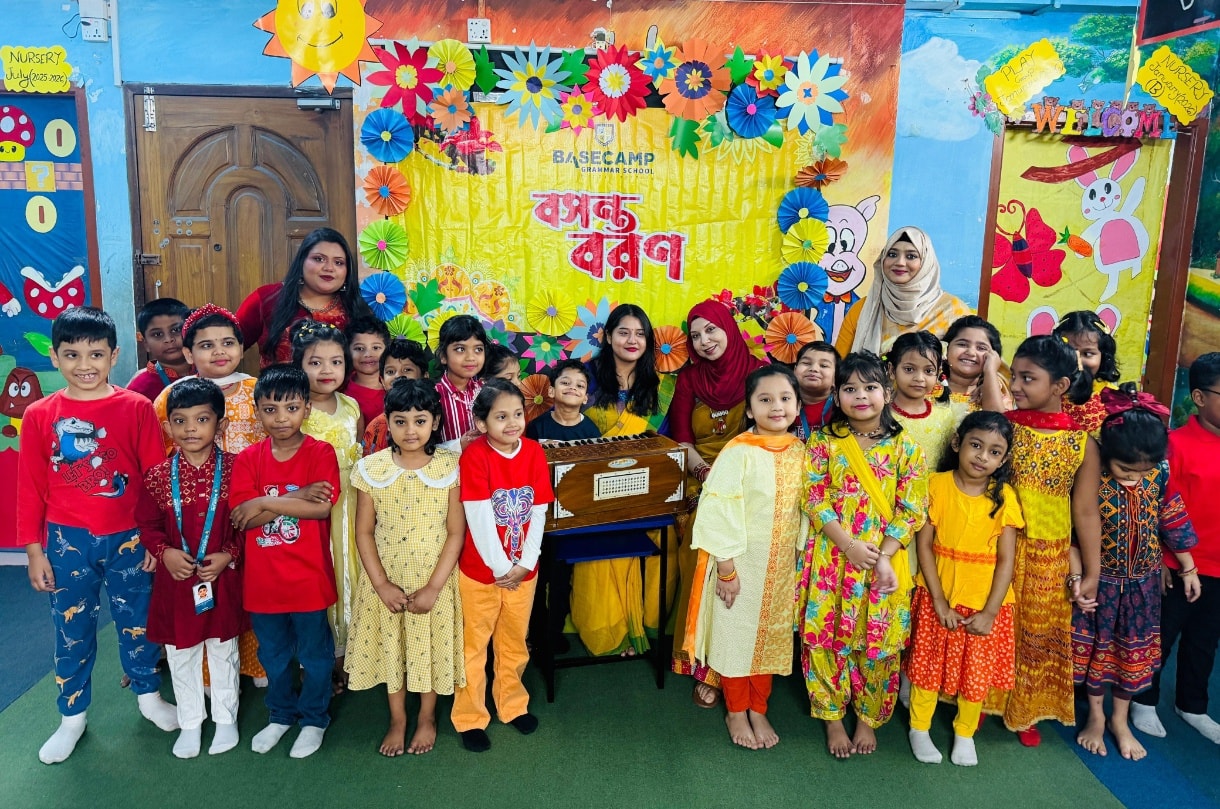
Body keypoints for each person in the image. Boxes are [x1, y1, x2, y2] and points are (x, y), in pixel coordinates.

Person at [17, 307, 179, 764]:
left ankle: (148, 696)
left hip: (131, 539)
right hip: (66, 543)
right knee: (71, 629)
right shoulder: (39, 415)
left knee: (139, 622)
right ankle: (72, 716)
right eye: (72, 354)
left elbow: (155, 479)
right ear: (55, 357)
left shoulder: (136, 408)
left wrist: (157, 540)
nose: (84, 364)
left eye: (95, 354)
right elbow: (30, 488)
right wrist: (34, 551)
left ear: (114, 355)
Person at [800, 351, 927, 758]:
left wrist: (883, 555)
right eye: (850, 388)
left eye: (870, 387)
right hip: (832, 557)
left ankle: (868, 718)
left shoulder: (907, 447)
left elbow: (912, 510)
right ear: (836, 396)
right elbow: (813, 497)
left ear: (887, 393)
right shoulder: (824, 442)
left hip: (881, 562)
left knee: (879, 643)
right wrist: (848, 545)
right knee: (825, 638)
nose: (860, 396)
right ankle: (833, 718)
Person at [684, 365, 808, 750]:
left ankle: (759, 707)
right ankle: (736, 710)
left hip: (781, 569)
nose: (777, 407)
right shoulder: (738, 451)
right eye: (765, 399)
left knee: (768, 639)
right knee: (736, 638)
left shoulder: (801, 451)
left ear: (798, 406)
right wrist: (726, 569)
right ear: (750, 409)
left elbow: (808, 510)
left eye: (785, 398)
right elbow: (719, 510)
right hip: (740, 567)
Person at [1072, 386, 1199, 761]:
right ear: (1107, 454)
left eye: (1143, 471)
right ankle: (1096, 716)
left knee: (1133, 653)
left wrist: (1188, 567)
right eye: (1125, 469)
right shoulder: (1092, 478)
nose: (1134, 477)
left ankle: (1120, 719)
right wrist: (1078, 579)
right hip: (1102, 585)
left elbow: (1170, 517)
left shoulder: (1159, 474)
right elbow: (1073, 536)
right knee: (1099, 651)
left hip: (1142, 586)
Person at [989, 335, 1102, 746]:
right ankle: (980, 701)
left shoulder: (1082, 444)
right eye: (1014, 376)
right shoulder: (1004, 428)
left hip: (1048, 555)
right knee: (993, 624)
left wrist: (1092, 572)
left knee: (1036, 634)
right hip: (996, 546)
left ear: (1060, 386)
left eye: (1028, 378)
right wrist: (992, 371)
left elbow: (1085, 512)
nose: (1017, 385)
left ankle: (1027, 709)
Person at [346, 379, 465, 757]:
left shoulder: (451, 467)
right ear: (388, 422)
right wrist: (381, 585)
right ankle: (398, 719)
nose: (410, 430)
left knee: (428, 647)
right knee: (392, 648)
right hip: (387, 580)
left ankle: (427, 716)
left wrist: (433, 587)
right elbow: (364, 532)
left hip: (434, 580)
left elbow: (456, 532)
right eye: (400, 421)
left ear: (435, 422)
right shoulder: (371, 468)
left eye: (420, 420)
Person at [229, 365, 341, 759]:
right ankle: (280, 714)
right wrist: (297, 495)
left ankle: (314, 718)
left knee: (315, 655)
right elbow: (243, 518)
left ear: (307, 409)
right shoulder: (248, 460)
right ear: (257, 411)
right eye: (270, 409)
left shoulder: (320, 453)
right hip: (263, 583)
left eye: (291, 408)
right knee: (273, 656)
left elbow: (320, 509)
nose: (281, 418)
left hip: (309, 579)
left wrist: (265, 501)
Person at [154, 304, 267, 684]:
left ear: (241, 347)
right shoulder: (169, 398)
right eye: (206, 345)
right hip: (196, 518)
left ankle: (256, 665)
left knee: (252, 587)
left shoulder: (257, 390)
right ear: (188, 353)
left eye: (227, 342)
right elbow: (161, 460)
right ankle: (207, 675)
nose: (219, 351)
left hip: (254, 509)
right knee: (206, 589)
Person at [905, 411, 1022, 767]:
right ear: (957, 443)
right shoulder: (935, 485)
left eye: (994, 452)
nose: (982, 456)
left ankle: (965, 733)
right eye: (976, 445)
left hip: (984, 603)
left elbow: (1007, 560)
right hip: (938, 595)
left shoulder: (1005, 497)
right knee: (926, 667)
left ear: (1003, 459)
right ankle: (919, 728)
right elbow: (925, 546)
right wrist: (939, 601)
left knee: (975, 674)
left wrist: (990, 612)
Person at [138, 378, 245, 759]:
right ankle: (190, 722)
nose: (190, 429)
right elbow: (147, 525)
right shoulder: (156, 476)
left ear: (221, 424)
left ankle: (226, 718)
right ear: (168, 427)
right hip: (176, 582)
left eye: (202, 419)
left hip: (222, 577)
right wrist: (164, 552)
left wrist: (229, 554)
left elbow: (247, 524)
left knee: (223, 649)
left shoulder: (239, 470)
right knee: (180, 653)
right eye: (180, 421)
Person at [669, 298, 768, 705]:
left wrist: (738, 479)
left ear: (728, 327)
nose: (704, 340)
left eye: (711, 329)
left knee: (752, 557)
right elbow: (682, 440)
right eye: (695, 335)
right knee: (705, 553)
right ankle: (707, 665)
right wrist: (707, 475)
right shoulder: (690, 379)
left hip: (753, 481)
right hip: (703, 480)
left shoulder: (760, 373)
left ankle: (744, 659)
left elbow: (774, 430)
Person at [452, 380, 554, 752]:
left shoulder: (533, 452)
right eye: (501, 417)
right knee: (473, 646)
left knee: (514, 642)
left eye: (517, 414)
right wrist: (500, 568)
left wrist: (525, 562)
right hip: (481, 573)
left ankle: (512, 705)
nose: (512, 423)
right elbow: (478, 517)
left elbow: (539, 510)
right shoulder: (475, 456)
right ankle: (470, 717)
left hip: (524, 572)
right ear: (481, 423)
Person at [569, 304, 675, 659]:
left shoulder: (659, 386)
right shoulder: (584, 376)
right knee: (600, 547)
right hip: (589, 485)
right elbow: (565, 425)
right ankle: (607, 627)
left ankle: (647, 622)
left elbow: (664, 442)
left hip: (641, 484)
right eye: (624, 332)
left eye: (640, 334)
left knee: (664, 536)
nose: (632, 340)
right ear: (608, 336)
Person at [1133, 352, 1220, 744]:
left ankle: (1193, 705)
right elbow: (1157, 506)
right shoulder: (1174, 445)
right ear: (1199, 398)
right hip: (1177, 564)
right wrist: (1160, 559)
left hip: (1218, 568)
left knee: (1204, 641)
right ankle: (1143, 700)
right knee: (1160, 636)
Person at [292, 320, 364, 692]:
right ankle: (316, 659)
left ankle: (350, 655)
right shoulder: (296, 410)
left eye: (335, 362)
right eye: (315, 362)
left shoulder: (351, 406)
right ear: (299, 365)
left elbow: (361, 456)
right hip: (314, 508)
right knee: (320, 575)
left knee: (351, 572)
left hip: (352, 506)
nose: (327, 370)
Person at [235, 227, 373, 368]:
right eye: (319, 259)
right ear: (301, 262)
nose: (329, 268)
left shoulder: (357, 307)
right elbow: (227, 347)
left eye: (338, 262)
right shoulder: (267, 298)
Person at [835, 226, 972, 356]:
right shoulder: (864, 309)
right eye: (892, 254)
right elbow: (839, 365)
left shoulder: (953, 311)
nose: (900, 262)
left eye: (911, 256)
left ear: (926, 263)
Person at [886, 331, 957, 473]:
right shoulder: (881, 415)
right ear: (892, 370)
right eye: (909, 369)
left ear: (938, 373)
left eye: (928, 371)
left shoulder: (946, 417)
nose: (919, 378)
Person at [1053, 311, 1120, 437]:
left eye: (1088, 354)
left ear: (1104, 356)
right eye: (1070, 351)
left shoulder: (1115, 401)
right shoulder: (1045, 394)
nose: (1078, 361)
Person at [362, 337, 430, 456]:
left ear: (425, 377)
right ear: (382, 380)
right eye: (390, 372)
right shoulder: (376, 427)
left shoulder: (431, 420)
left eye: (407, 370)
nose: (398, 376)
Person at [434, 315, 489, 451]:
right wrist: (458, 445)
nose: (471, 357)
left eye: (478, 349)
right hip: (447, 464)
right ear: (443, 356)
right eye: (460, 349)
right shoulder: (433, 396)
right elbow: (420, 448)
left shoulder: (487, 391)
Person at [939, 316, 1009, 420]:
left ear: (993, 357)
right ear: (946, 349)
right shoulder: (927, 386)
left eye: (981, 348)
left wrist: (990, 371)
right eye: (962, 344)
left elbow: (996, 424)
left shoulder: (996, 396)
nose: (971, 352)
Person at [128, 297, 191, 401]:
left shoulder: (208, 370)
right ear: (146, 344)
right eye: (158, 334)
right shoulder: (139, 388)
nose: (168, 339)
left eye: (176, 330)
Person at [525, 359, 600, 442]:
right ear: (551, 391)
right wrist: (540, 448)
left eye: (579, 385)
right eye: (565, 383)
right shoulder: (536, 426)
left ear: (585, 398)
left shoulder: (591, 432)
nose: (572, 387)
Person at [344, 316, 391, 428]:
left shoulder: (396, 383)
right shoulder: (344, 395)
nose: (367, 354)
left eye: (376, 348)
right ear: (347, 351)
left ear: (387, 349)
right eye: (359, 348)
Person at [794, 341, 838, 440]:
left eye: (824, 365)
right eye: (806, 363)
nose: (813, 369)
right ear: (795, 370)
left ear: (836, 376)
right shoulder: (782, 403)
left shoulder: (842, 407)